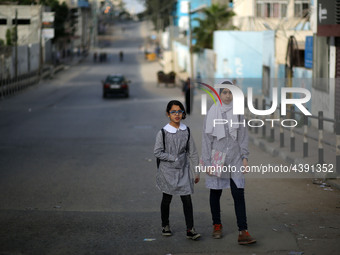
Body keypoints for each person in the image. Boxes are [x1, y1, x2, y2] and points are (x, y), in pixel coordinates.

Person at [201, 80, 256, 245]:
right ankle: (217, 225)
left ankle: (243, 230)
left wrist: (244, 157)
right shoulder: (212, 111)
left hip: (235, 157)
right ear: (219, 93)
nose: (227, 95)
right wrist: (207, 161)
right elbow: (206, 138)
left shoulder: (238, 112)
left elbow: (243, 136)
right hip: (216, 156)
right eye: (224, 92)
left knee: (238, 193)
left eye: (230, 92)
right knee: (215, 192)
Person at [154, 100, 201, 240]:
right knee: (167, 198)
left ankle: (190, 229)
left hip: (183, 170)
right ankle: (165, 225)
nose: (177, 114)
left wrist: (196, 171)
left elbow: (192, 152)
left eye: (179, 111)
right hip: (167, 171)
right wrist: (172, 157)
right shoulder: (163, 132)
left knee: (187, 199)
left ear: (183, 113)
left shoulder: (186, 131)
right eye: (173, 112)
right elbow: (157, 152)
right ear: (168, 114)